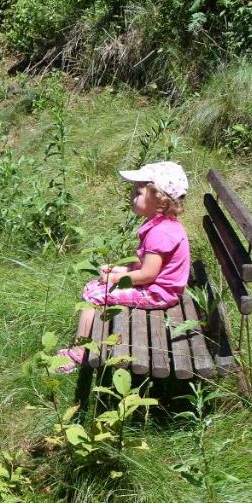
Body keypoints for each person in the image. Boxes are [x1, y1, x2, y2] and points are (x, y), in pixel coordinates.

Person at [54, 160, 191, 373]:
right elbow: (149, 267)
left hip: (159, 293)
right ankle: (88, 339)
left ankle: (78, 353)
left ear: (159, 200)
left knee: (94, 296)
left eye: (137, 193)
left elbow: (147, 275)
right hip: (160, 286)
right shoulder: (162, 224)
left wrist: (118, 278)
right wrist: (120, 270)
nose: (131, 196)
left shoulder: (160, 233)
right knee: (93, 285)